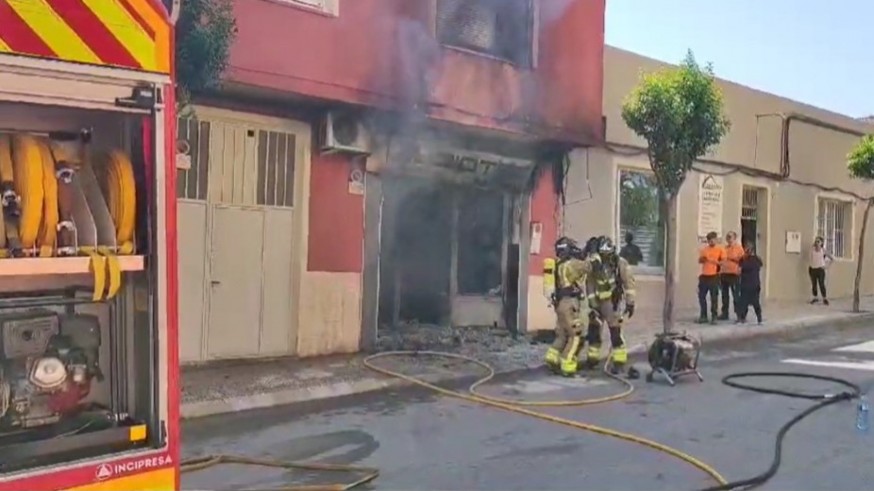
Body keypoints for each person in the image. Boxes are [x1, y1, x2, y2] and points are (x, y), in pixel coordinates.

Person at [583, 236, 637, 376]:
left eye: (607, 256)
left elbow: (629, 284)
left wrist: (630, 303)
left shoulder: (620, 263)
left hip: (612, 304)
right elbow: (590, 284)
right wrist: (593, 304)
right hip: (598, 303)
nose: (605, 259)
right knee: (594, 332)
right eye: (603, 256)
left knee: (615, 334)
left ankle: (619, 363)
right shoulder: (596, 264)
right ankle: (592, 360)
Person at [543, 237, 593, 376]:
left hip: (560, 304)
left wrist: (582, 253)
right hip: (570, 304)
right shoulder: (571, 265)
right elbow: (588, 267)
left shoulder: (559, 265)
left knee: (562, 335)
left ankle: (551, 358)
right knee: (575, 335)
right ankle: (568, 365)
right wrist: (593, 253)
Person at [697, 231, 725, 324]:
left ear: (716, 240)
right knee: (701, 296)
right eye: (709, 240)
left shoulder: (720, 250)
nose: (711, 242)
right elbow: (700, 260)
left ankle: (714, 316)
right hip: (704, 275)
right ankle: (703, 315)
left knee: (714, 297)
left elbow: (722, 263)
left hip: (714, 275)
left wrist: (712, 260)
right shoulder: (705, 250)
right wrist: (703, 259)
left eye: (713, 240)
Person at [719, 232, 744, 320]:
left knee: (736, 295)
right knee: (724, 295)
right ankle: (725, 313)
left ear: (734, 238)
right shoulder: (724, 248)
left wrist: (731, 259)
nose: (729, 239)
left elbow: (742, 260)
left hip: (734, 274)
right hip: (724, 273)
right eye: (727, 237)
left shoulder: (739, 248)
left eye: (730, 237)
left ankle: (739, 315)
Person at [737, 242, 763, 324]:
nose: (745, 251)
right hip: (745, 284)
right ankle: (742, 317)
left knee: (755, 302)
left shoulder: (755, 259)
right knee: (743, 302)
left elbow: (743, 267)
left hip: (753, 284)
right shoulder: (744, 259)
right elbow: (739, 267)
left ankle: (759, 318)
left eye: (747, 249)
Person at [809, 236, 832, 305]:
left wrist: (827, 266)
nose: (817, 243)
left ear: (821, 243)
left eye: (818, 241)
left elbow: (832, 258)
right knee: (814, 284)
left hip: (820, 269)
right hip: (813, 268)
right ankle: (815, 297)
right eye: (816, 241)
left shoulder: (823, 250)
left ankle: (824, 298)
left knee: (821, 283)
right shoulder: (812, 250)